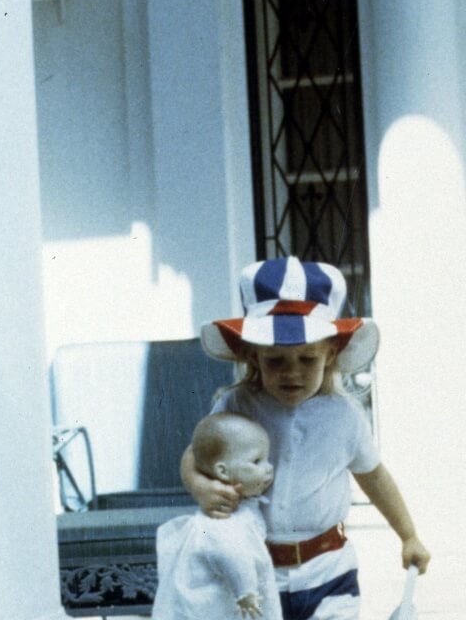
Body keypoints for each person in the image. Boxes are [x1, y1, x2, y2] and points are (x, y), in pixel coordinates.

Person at [182, 256, 430, 620]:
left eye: (307, 359)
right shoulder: (237, 404)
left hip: (328, 567)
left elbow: (374, 475)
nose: (292, 373)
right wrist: (199, 485)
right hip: (257, 568)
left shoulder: (344, 416)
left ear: (330, 355)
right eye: (276, 361)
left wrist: (408, 534)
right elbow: (195, 453)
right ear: (253, 356)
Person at [154, 412, 283, 620]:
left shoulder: (241, 507)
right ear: (223, 472)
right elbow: (234, 555)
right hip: (232, 596)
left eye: (267, 459)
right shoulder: (223, 522)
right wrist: (246, 590)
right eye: (257, 461)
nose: (269, 468)